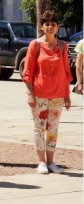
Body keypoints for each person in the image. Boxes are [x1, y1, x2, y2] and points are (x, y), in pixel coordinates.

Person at [22, 11, 72, 174]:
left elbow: (66, 72)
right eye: (47, 24)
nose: (50, 27)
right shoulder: (34, 45)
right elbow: (28, 72)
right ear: (41, 26)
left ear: (57, 26)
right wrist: (30, 94)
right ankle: (41, 161)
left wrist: (67, 96)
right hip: (39, 93)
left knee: (53, 129)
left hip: (58, 94)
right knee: (39, 128)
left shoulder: (63, 46)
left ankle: (51, 161)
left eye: (53, 24)